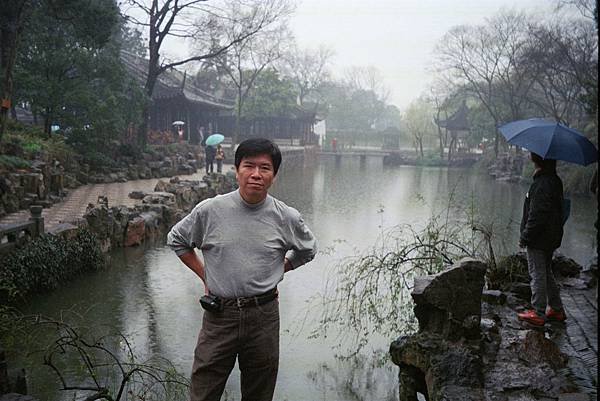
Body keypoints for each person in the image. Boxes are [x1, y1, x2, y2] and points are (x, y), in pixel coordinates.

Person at [167, 138, 317, 401]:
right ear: (236, 170)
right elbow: (177, 240)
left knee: (259, 392)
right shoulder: (210, 211)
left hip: (264, 315)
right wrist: (205, 275)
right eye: (249, 166)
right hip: (219, 315)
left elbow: (308, 249)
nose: (256, 174)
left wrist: (281, 267)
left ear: (274, 175)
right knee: (203, 391)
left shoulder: (286, 217)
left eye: (265, 168)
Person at [517, 152, 566, 326]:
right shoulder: (554, 180)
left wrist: (525, 236)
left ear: (537, 160)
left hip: (539, 238)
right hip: (551, 236)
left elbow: (537, 215)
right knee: (545, 271)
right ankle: (556, 308)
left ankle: (538, 311)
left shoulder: (542, 184)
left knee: (537, 273)